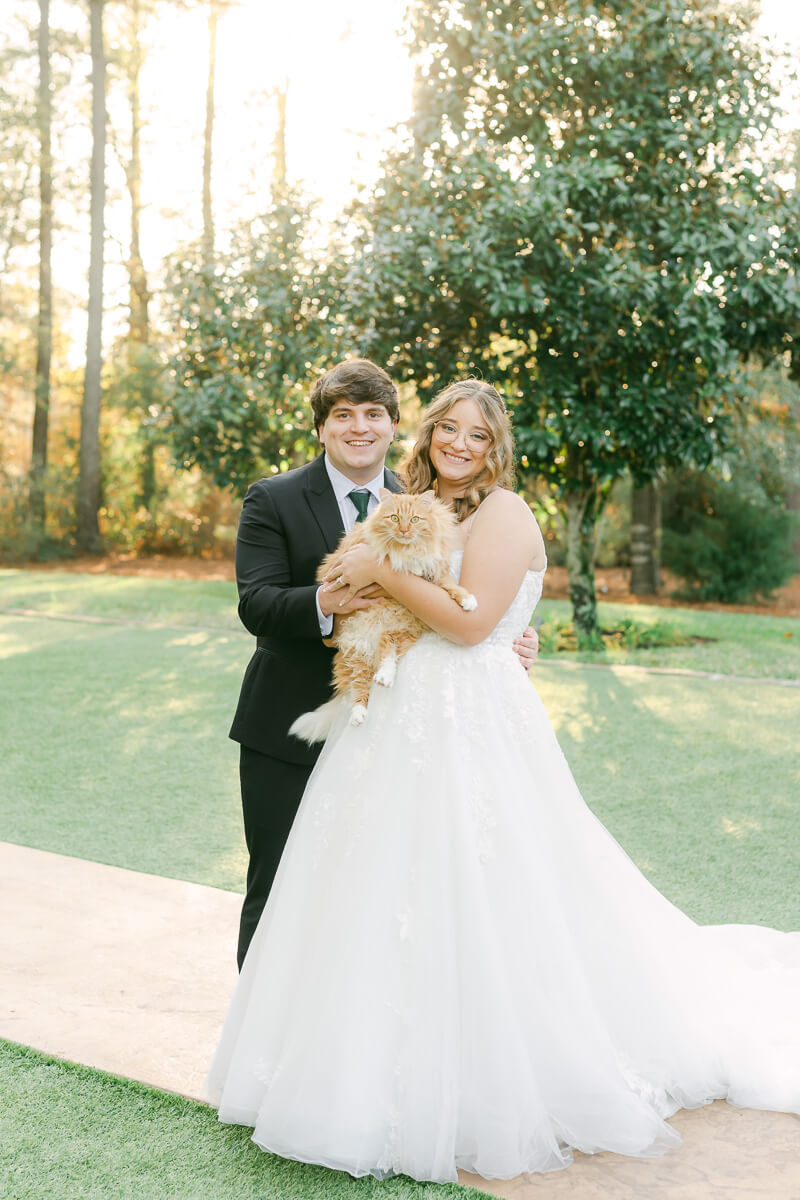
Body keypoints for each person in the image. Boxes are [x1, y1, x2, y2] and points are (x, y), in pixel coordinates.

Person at [209, 379, 799, 1183]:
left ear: (496, 447)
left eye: (476, 435)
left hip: (465, 727)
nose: (458, 443)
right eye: (447, 427)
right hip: (384, 722)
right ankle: (324, 1063)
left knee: (485, 892)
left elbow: (471, 620)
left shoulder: (505, 511)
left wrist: (392, 576)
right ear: (426, 434)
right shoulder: (409, 501)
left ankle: (483, 1073)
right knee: (363, 897)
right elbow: (335, 607)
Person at [229, 361, 538, 968]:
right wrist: (326, 601)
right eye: (342, 416)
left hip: (397, 731)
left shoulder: (424, 498)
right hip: (290, 727)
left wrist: (514, 637)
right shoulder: (274, 497)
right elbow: (256, 603)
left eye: (373, 415)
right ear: (321, 428)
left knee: (375, 892)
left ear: (396, 427)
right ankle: (257, 1034)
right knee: (279, 886)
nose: (359, 428)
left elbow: (467, 592)